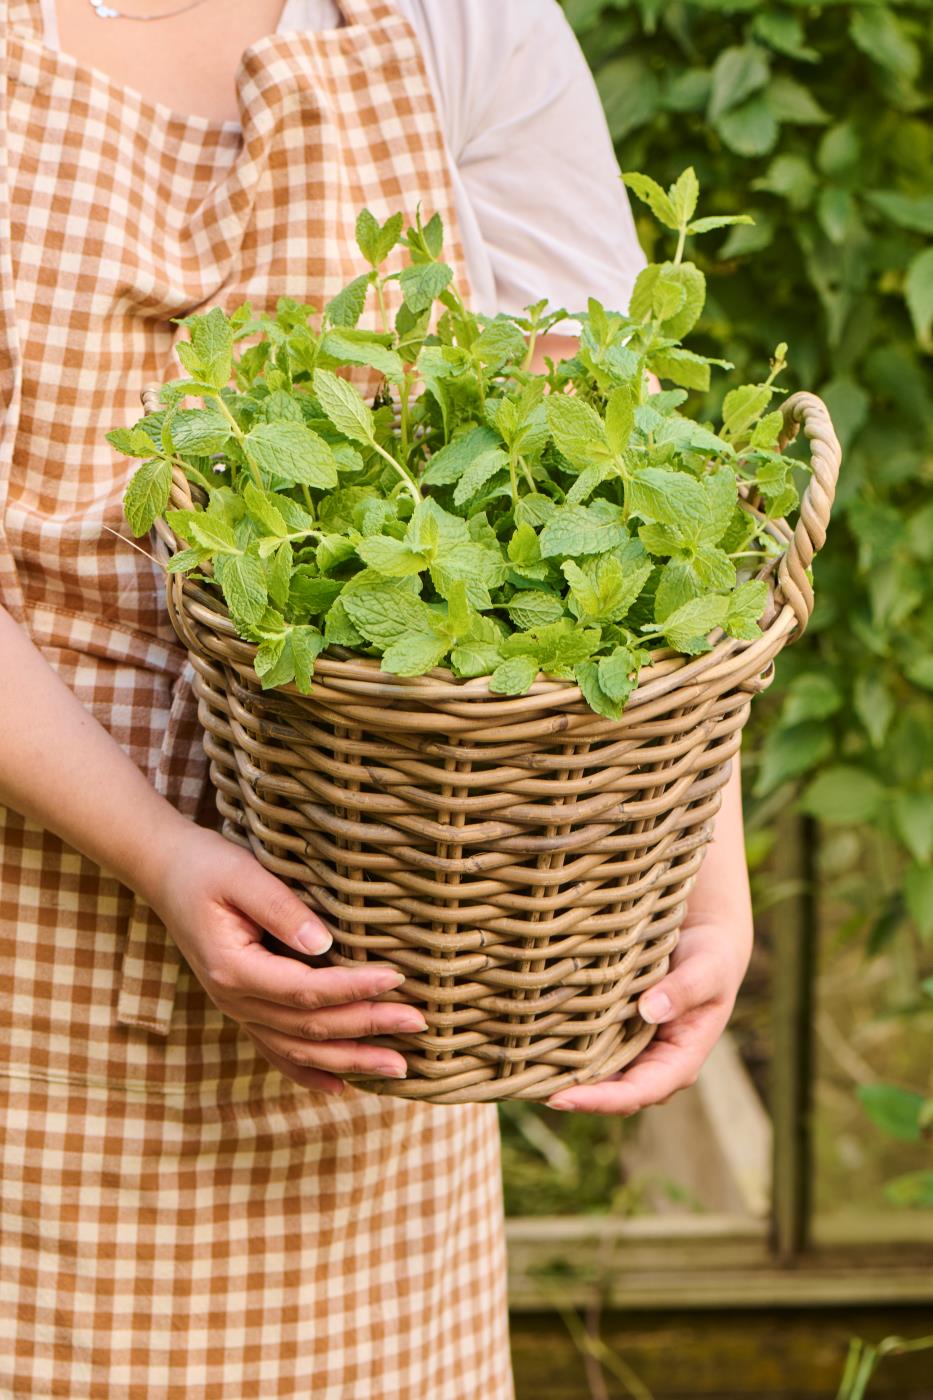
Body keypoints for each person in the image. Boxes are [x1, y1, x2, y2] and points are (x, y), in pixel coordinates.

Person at [0, 0, 755, 1393]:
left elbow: (618, 471)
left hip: (375, 999)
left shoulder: (451, 21)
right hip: (29, 977)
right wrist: (163, 852)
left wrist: (702, 871)